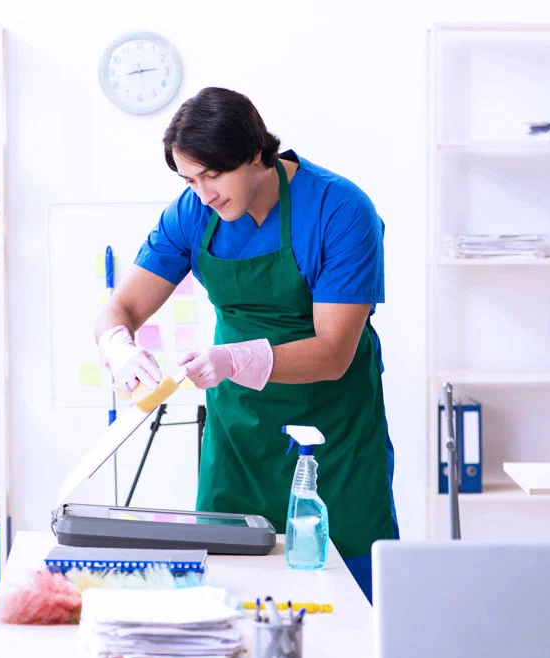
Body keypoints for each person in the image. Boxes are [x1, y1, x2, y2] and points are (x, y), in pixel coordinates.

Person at [94, 87, 397, 602]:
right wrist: (119, 347)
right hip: (238, 434)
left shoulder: (341, 211)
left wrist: (236, 358)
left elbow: (333, 352)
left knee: (350, 593)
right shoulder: (192, 214)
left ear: (257, 153)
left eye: (213, 175)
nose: (204, 194)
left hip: (334, 434)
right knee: (226, 594)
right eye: (189, 180)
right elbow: (119, 308)